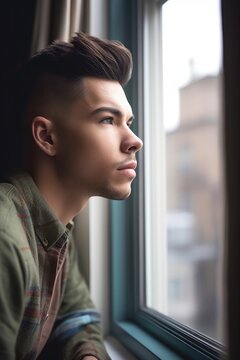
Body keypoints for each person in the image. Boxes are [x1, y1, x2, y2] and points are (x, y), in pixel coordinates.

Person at [0, 32, 143, 359]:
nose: (135, 140)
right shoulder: (5, 240)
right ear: (46, 136)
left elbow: (77, 318)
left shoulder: (55, 228)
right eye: (108, 119)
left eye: (129, 122)